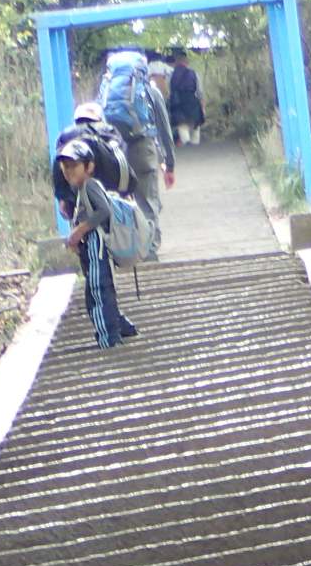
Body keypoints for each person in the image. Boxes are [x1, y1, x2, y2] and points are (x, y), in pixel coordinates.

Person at [52, 133, 139, 350]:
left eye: (74, 166)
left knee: (98, 290)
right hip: (91, 246)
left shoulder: (90, 185)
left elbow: (104, 211)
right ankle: (120, 328)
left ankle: (108, 338)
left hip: (97, 245)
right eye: (65, 167)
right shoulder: (78, 189)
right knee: (98, 290)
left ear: (89, 166)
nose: (69, 171)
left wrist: (80, 230)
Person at [97, 47, 175, 241]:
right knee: (147, 201)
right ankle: (150, 247)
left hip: (113, 151)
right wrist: (169, 164)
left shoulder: (106, 90)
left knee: (117, 199)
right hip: (142, 148)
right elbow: (164, 131)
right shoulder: (150, 91)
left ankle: (122, 246)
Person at [168, 49, 206, 146]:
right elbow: (200, 91)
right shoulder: (193, 73)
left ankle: (186, 145)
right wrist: (202, 106)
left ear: (176, 62)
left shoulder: (171, 74)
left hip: (177, 102)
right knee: (195, 125)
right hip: (192, 101)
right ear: (186, 62)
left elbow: (169, 90)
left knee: (182, 125)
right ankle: (195, 145)